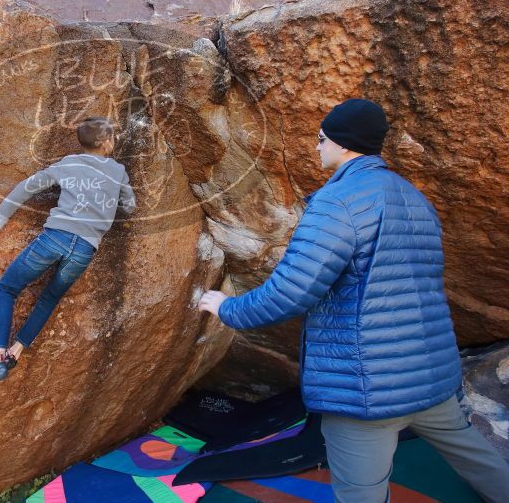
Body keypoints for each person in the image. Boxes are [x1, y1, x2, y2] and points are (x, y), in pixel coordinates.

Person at [198, 99, 509, 502]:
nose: (316, 147)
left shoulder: (338, 201)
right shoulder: (415, 199)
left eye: (321, 139)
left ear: (343, 145)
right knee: (477, 460)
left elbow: (292, 291)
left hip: (367, 387)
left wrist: (227, 308)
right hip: (430, 374)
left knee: (360, 492)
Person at [0, 117, 136, 389]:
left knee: (6, 289)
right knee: (49, 298)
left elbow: (25, 188)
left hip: (55, 238)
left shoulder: (68, 164)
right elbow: (130, 206)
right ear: (106, 142)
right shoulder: (118, 171)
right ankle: (16, 351)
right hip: (85, 248)